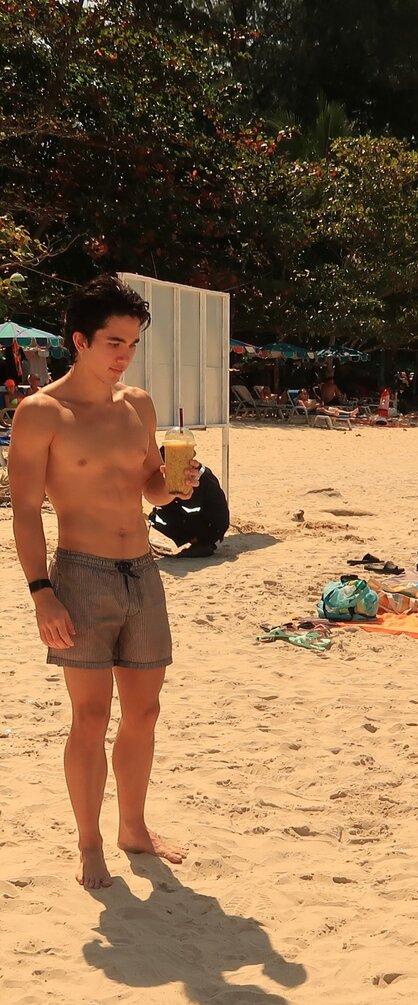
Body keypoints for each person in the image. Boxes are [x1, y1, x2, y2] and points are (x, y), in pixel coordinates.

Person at [8, 274, 200, 889]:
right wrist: (41, 593)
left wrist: (176, 487)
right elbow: (25, 512)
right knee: (90, 717)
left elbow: (150, 486)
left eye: (133, 344)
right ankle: (89, 842)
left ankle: (133, 828)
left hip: (143, 571)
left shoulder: (138, 404)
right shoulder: (42, 413)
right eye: (114, 342)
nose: (124, 355)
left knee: (144, 712)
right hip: (81, 574)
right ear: (80, 341)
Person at [149, 452, 230, 557]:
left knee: (157, 517)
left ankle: (202, 543)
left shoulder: (192, 477)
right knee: (163, 510)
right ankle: (201, 542)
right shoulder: (197, 471)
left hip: (213, 525)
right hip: (215, 522)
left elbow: (190, 505)